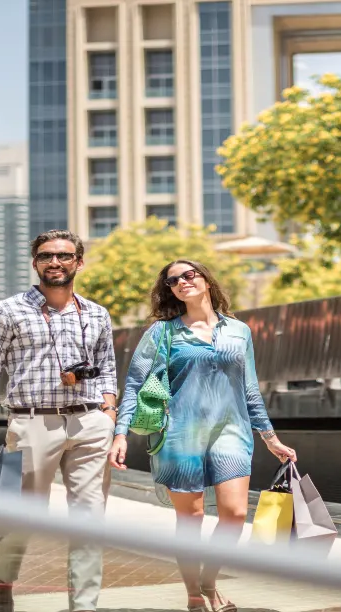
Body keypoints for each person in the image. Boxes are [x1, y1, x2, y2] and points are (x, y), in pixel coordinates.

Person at [110, 260, 296, 612]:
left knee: (235, 513)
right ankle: (195, 595)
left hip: (232, 430)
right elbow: (135, 382)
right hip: (181, 434)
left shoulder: (239, 331)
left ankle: (209, 581)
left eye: (188, 275)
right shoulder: (162, 332)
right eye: (173, 281)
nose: (181, 282)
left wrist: (270, 438)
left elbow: (250, 387)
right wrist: (121, 433)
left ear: (206, 280)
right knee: (191, 519)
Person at [0, 229, 118, 612]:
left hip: (89, 424)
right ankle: (2, 580)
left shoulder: (97, 313)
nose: (55, 262)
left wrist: (109, 413)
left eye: (64, 256)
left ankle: (84, 606)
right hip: (32, 422)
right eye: (47, 256)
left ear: (78, 262)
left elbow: (108, 370)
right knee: (25, 515)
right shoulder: (8, 310)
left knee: (89, 519)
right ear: (35, 263)